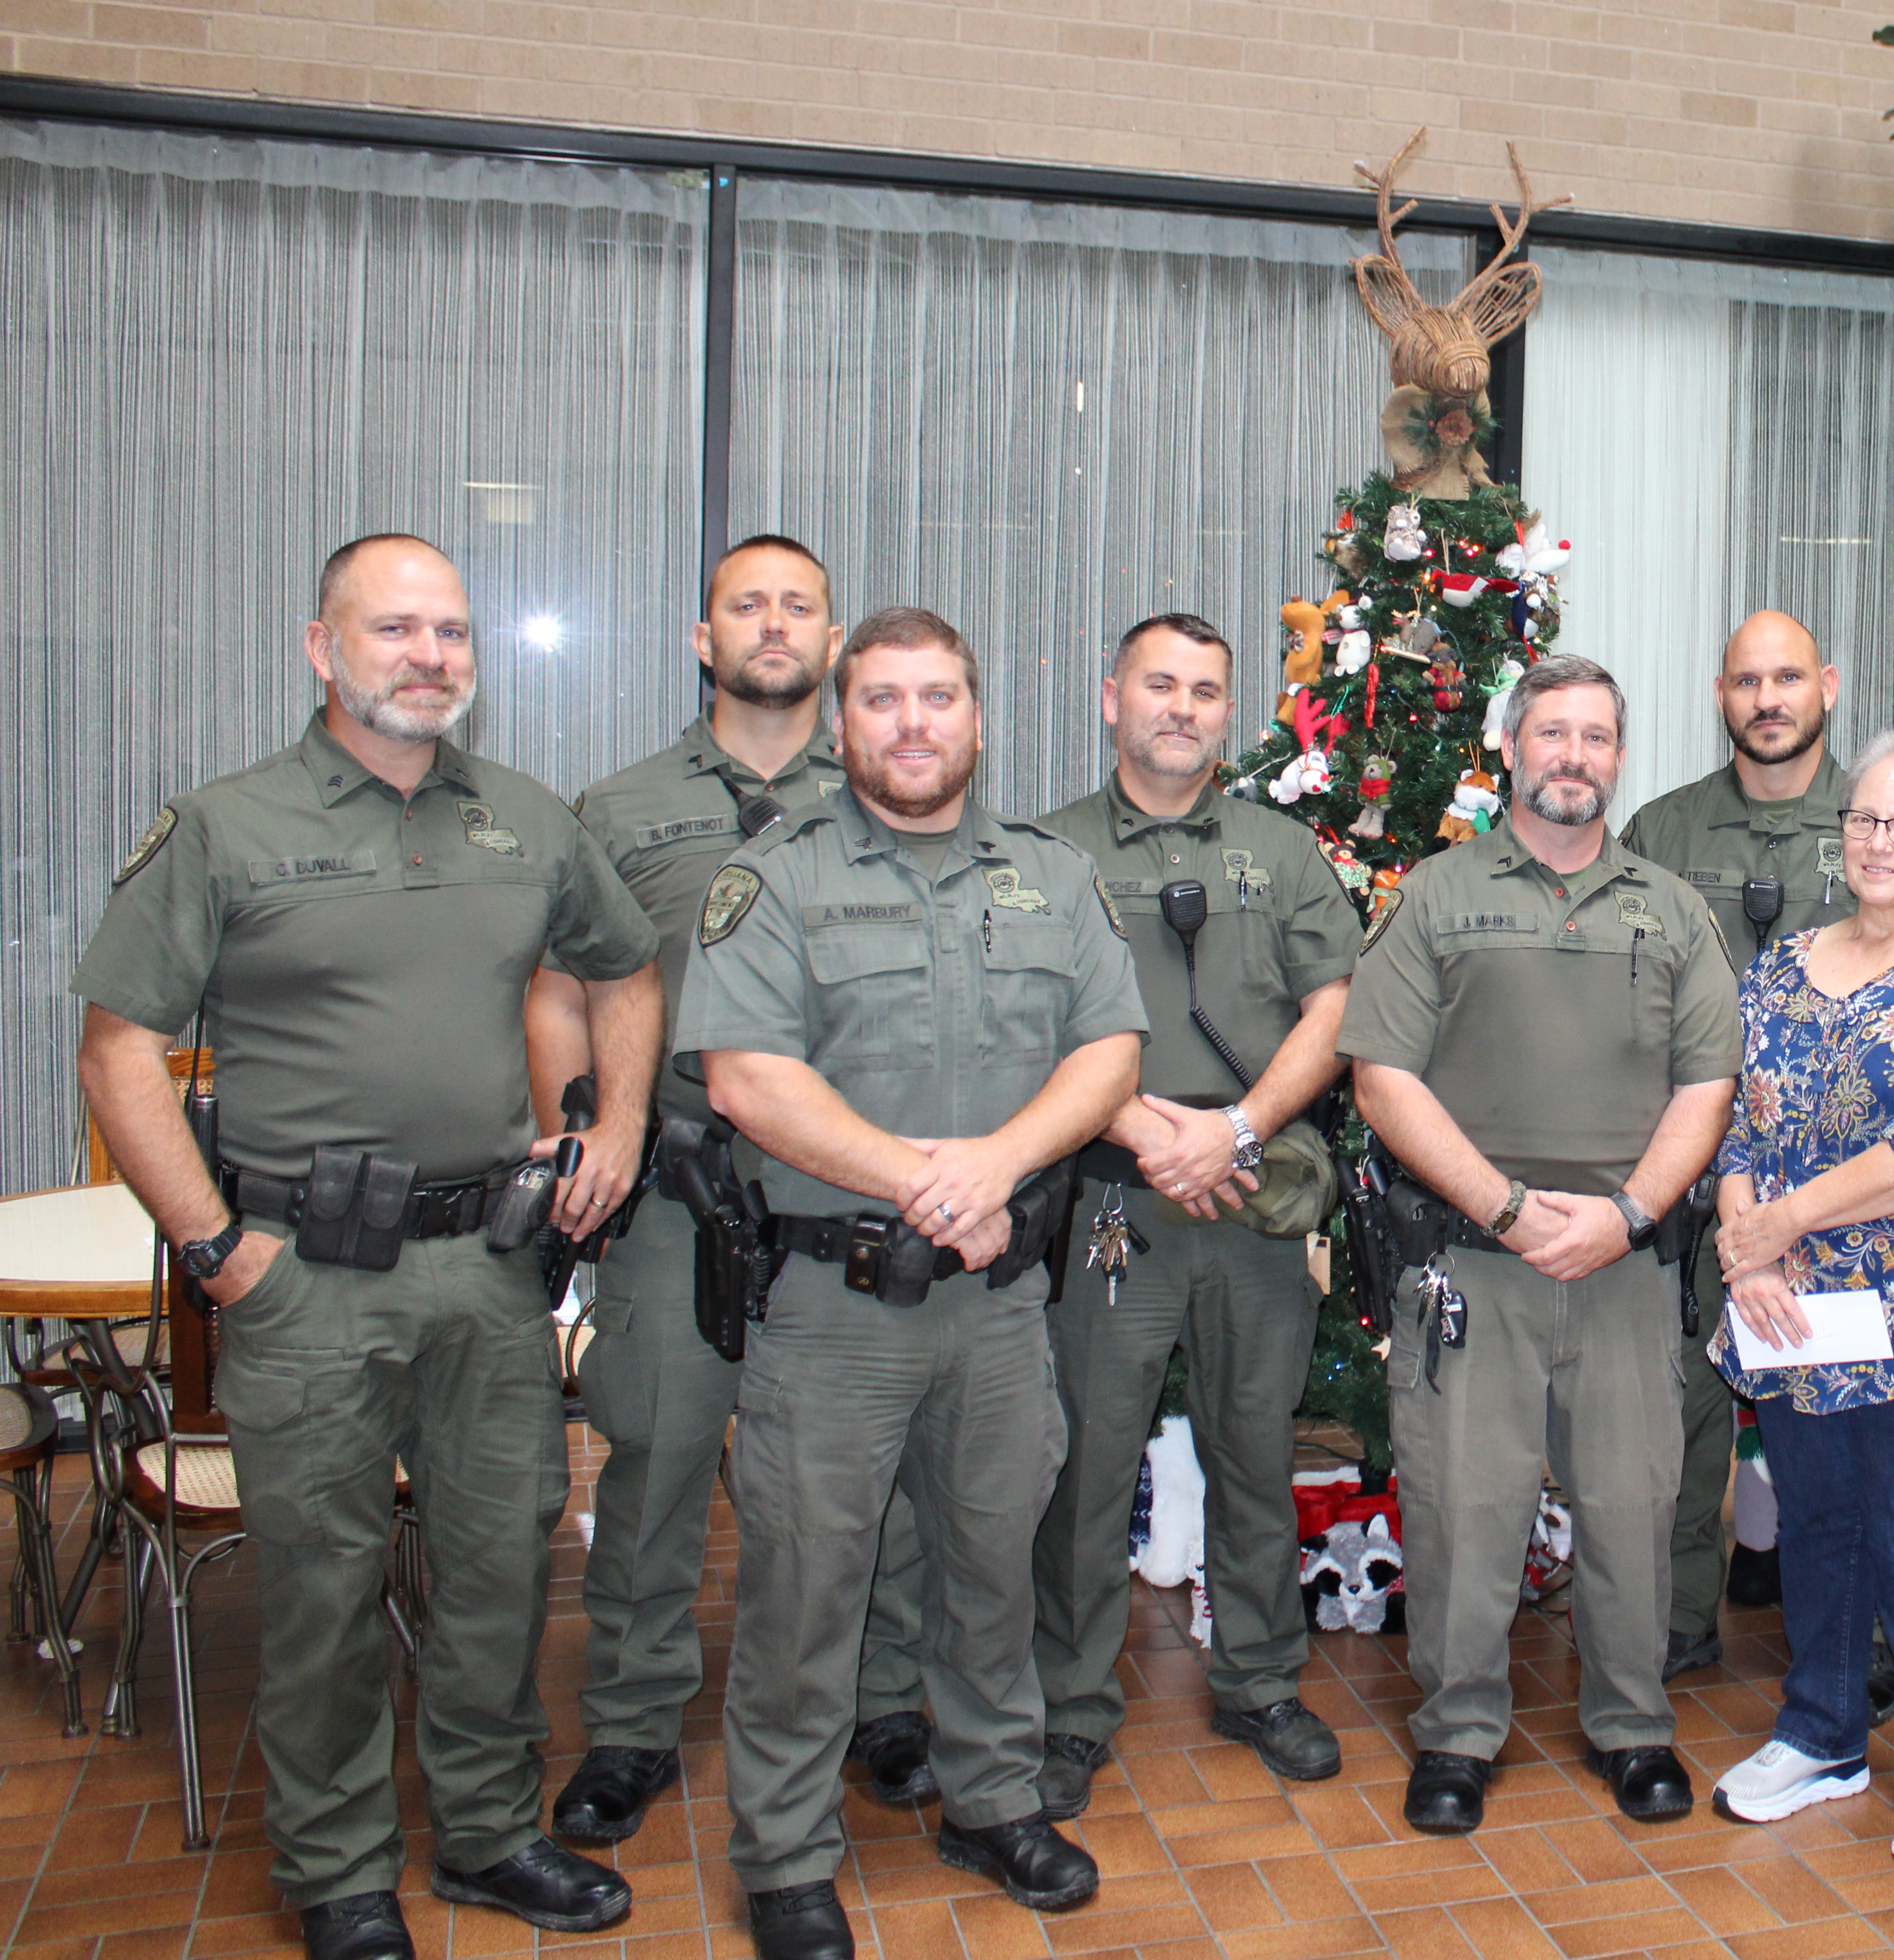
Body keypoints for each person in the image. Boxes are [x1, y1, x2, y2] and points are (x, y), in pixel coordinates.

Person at [73, 534, 661, 1960]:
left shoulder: (525, 820)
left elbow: (625, 966)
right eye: (394, 628)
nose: (430, 656)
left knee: (498, 1563)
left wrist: (619, 1128)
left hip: (486, 1265)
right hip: (305, 1274)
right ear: (320, 647)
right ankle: (336, 1869)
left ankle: (486, 1831)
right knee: (327, 1582)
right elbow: (117, 1052)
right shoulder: (228, 826)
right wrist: (219, 1251)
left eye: (452, 632)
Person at [675, 607, 1146, 1960]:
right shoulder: (777, 878)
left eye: (940, 697)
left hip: (998, 1310)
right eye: (884, 700)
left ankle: (991, 1799)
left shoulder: (1050, 878)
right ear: (843, 722)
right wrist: (919, 1178)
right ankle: (783, 1854)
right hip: (834, 1309)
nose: (915, 724)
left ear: (979, 718)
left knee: (993, 1564)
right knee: (807, 1588)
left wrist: (997, 1163)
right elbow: (747, 1075)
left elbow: (1110, 1046)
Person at [535, 535, 935, 1842]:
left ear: (833, 645)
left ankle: (885, 1698)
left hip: (844, 1185)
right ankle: (638, 1719)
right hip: (674, 1187)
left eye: (799, 606)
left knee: (866, 1459)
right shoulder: (618, 807)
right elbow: (567, 982)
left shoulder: (895, 789)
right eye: (744, 605)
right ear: (702, 639)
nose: (773, 624)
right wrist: (571, 1136)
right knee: (652, 1452)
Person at [1339, 654, 1741, 1837]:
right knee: (1463, 1509)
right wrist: (1511, 1209)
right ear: (1511, 747)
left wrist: (1626, 1215)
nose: (1574, 755)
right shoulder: (1435, 896)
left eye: (1598, 736)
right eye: (1552, 732)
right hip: (1472, 1263)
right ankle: (1458, 1733)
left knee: (1632, 1506)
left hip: (1624, 1266)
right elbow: (1381, 1078)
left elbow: (1708, 1081)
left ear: (1621, 755)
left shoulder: (1669, 908)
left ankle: (1632, 1725)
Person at [1031, 612, 1359, 1806]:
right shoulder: (1047, 851)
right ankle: (1068, 1704)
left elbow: (1338, 1005)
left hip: (1251, 1193)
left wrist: (1240, 1127)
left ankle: (1264, 1679)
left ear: (1234, 711)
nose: (1182, 705)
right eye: (1158, 684)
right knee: (1086, 1462)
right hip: (1116, 1198)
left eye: (1206, 690)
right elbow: (1027, 1018)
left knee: (1257, 1451)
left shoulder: (1284, 849)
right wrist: (1143, 1127)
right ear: (1110, 696)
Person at [1698, 726, 1894, 1869]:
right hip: (1796, 1313)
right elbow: (1739, 1121)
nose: (1882, 842)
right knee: (1819, 1529)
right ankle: (1823, 1733)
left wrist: (1781, 1222)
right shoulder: (1779, 965)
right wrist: (1750, 1250)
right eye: (1865, 819)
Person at [1618, 609, 1852, 1679]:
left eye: (1788, 678)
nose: (1768, 699)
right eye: (1748, 680)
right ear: (1722, 696)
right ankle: (1674, 1626)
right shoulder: (1661, 834)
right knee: (1678, 1415)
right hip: (1695, 1186)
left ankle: (1851, 1639)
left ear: (1828, 687)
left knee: (1842, 1425)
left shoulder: (1879, 822)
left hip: (1843, 1197)